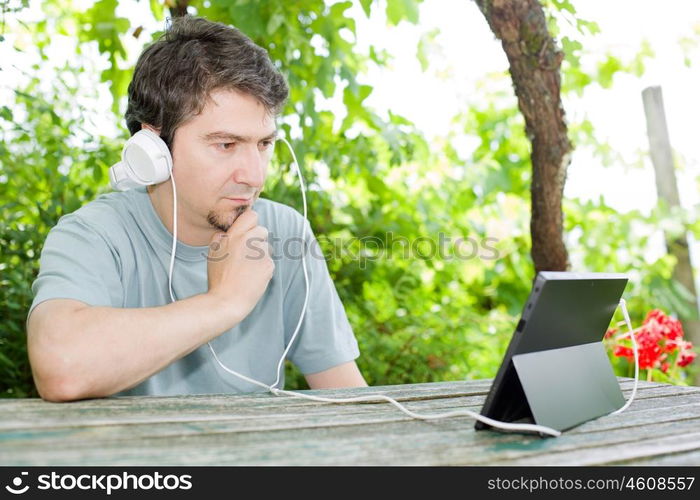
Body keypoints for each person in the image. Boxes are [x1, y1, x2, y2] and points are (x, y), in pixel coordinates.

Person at [25, 16, 367, 402]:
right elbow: (61, 368)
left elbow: (345, 391)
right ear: (152, 149)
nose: (254, 176)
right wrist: (224, 302)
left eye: (264, 144)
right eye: (226, 145)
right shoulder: (93, 235)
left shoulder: (284, 231)